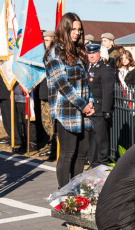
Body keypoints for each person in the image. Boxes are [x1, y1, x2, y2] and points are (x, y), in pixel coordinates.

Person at [44, 12, 95, 188]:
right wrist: (82, 105)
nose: (77, 33)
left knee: (82, 153)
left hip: (83, 111)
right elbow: (62, 85)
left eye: (79, 30)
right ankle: (64, 194)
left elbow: (84, 84)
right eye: (73, 29)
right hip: (66, 112)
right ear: (64, 29)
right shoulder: (54, 52)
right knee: (68, 152)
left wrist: (90, 103)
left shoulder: (77, 52)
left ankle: (76, 191)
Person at [86, 43, 115, 167]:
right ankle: (93, 162)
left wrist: (106, 110)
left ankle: (102, 164)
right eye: (89, 53)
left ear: (99, 53)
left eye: (94, 53)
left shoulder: (105, 69)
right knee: (92, 138)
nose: (92, 56)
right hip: (89, 108)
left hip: (99, 108)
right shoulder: (88, 67)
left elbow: (108, 90)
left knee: (101, 138)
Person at [38, 30, 57, 159]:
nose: (46, 42)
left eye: (49, 39)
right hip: (44, 91)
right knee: (46, 123)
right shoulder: (42, 53)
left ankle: (55, 148)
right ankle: (52, 145)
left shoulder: (56, 53)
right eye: (45, 40)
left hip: (54, 92)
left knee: (54, 123)